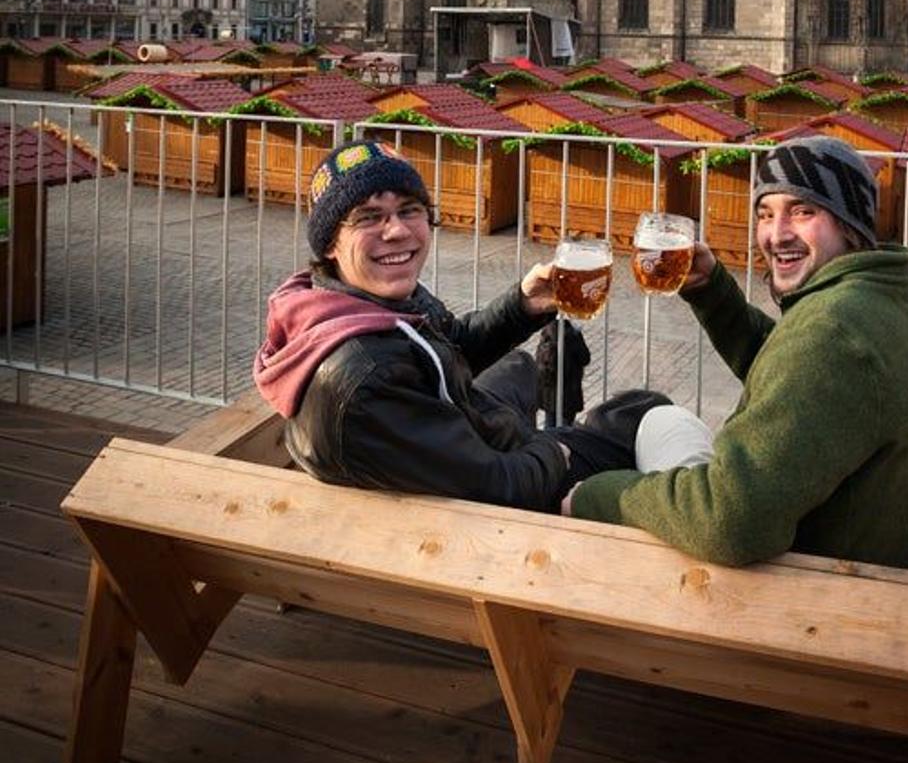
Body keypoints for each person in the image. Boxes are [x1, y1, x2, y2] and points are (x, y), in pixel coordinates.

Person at [567, 137, 908, 574]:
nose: (777, 234)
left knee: (613, 501)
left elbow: (727, 522)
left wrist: (596, 495)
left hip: (827, 602)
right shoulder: (884, 294)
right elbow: (796, 379)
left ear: (851, 225)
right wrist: (712, 291)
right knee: (659, 420)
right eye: (765, 214)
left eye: (803, 211)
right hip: (893, 564)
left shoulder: (834, 330)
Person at [253, 141, 665, 511]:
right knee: (643, 413)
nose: (396, 230)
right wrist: (554, 450)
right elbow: (502, 485)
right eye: (368, 217)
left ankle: (561, 410)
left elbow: (450, 345)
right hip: (505, 516)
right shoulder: (368, 379)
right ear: (329, 243)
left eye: (409, 210)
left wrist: (522, 305)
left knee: (520, 367)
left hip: (464, 444)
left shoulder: (347, 303)